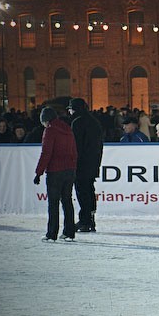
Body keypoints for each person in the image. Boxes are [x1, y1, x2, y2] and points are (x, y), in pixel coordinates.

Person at [34, 107, 78, 242]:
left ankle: (51, 234)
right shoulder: (68, 129)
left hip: (55, 171)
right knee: (67, 201)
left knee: (53, 203)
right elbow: (74, 151)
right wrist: (73, 167)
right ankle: (69, 232)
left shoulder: (50, 130)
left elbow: (46, 153)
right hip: (69, 170)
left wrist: (38, 172)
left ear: (45, 120)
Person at [68, 98, 104, 233]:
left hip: (81, 164)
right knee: (89, 190)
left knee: (82, 192)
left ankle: (85, 221)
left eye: (70, 109)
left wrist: (74, 162)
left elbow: (76, 145)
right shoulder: (94, 122)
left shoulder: (77, 122)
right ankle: (90, 219)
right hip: (93, 162)